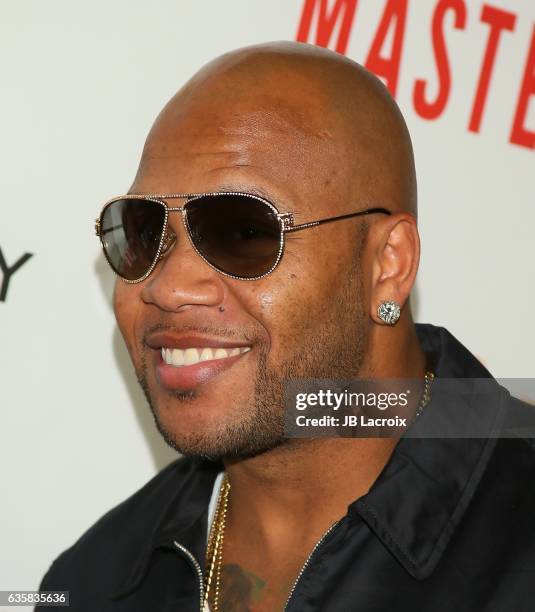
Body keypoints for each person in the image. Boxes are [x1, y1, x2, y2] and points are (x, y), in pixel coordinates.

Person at [39, 41, 535, 611]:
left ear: (386, 265)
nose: (168, 287)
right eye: (144, 231)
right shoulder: (94, 582)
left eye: (243, 231)